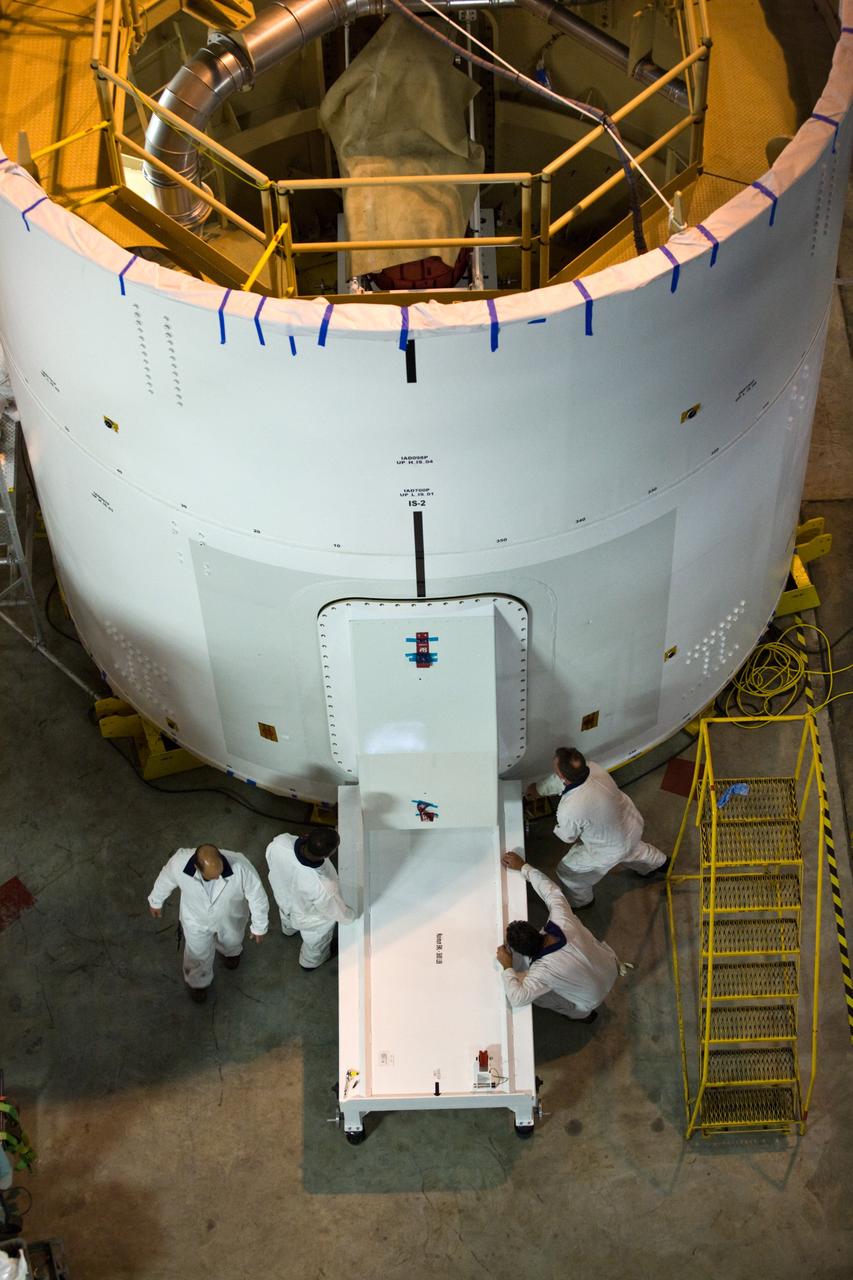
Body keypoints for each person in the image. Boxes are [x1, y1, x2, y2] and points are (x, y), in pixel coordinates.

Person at [526, 746, 667, 908]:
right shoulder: (593, 767)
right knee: (632, 848)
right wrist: (538, 789)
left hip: (611, 846)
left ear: (562, 775)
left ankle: (582, 902)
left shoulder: (570, 808)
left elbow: (568, 837)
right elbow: (562, 782)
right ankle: (660, 863)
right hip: (631, 823)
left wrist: (559, 825)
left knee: (569, 872)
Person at [496, 852, 631, 1021]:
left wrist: (507, 966)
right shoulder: (562, 919)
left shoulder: (542, 971)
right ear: (533, 929)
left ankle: (582, 1015)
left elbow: (517, 998)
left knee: (536, 994)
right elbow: (550, 890)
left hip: (592, 998)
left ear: (521, 953)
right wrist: (524, 866)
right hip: (610, 967)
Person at [148, 843, 269, 1003]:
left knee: (231, 939)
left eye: (220, 873)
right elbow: (166, 879)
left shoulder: (241, 866)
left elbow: (257, 897)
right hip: (195, 919)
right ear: (196, 867)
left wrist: (259, 926)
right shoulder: (179, 863)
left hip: (230, 918)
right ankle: (198, 983)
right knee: (197, 953)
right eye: (213, 876)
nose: (218, 878)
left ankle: (231, 953)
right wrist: (156, 901)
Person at [265, 828, 355, 970]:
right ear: (329, 854)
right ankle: (309, 962)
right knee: (316, 942)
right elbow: (333, 910)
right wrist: (350, 916)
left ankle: (288, 931)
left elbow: (270, 860)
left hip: (283, 899)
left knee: (287, 917)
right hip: (308, 919)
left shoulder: (280, 843)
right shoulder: (324, 883)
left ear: (307, 835)